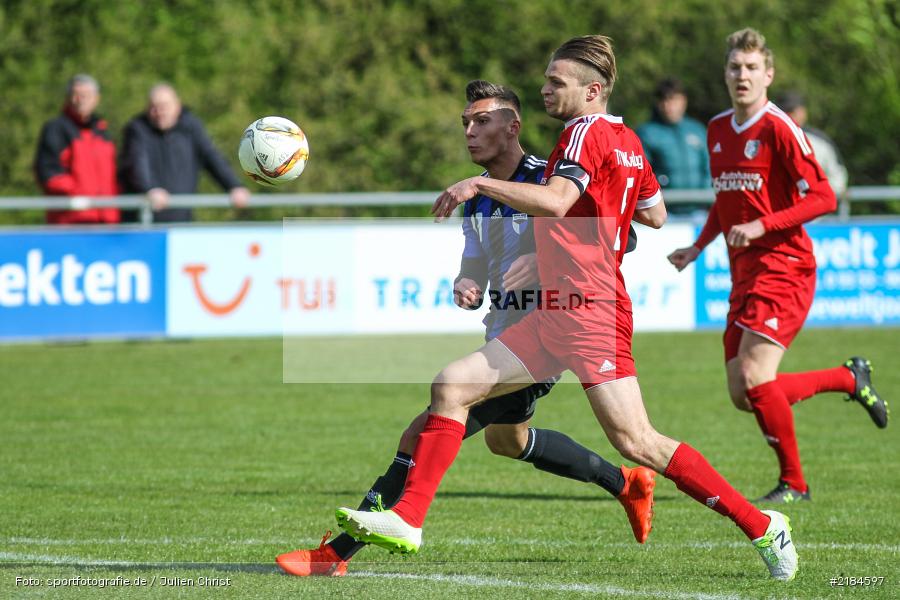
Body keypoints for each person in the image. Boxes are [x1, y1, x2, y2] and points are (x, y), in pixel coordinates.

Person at [336, 35, 799, 582]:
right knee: (452, 385)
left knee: (638, 442)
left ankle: (762, 525)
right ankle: (408, 520)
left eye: (556, 82)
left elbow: (558, 199)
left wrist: (476, 185)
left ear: (592, 90)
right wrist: (566, 247)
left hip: (590, 312)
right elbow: (651, 214)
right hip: (559, 310)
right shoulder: (627, 139)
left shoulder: (581, 132)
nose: (544, 89)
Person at [275, 80, 654, 577]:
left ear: (512, 126)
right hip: (502, 341)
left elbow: (610, 239)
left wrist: (540, 266)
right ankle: (626, 483)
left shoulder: (551, 181)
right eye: (465, 124)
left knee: (421, 431)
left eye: (481, 122)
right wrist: (467, 282)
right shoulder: (477, 202)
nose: (470, 132)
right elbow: (474, 262)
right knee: (509, 441)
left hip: (548, 338)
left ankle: (334, 554)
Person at [667, 29, 887, 504]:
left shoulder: (780, 128)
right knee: (743, 392)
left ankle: (795, 484)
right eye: (734, 67)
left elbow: (826, 195)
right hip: (743, 270)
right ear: (725, 74)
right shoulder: (717, 129)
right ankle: (848, 378)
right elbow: (726, 201)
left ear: (768, 75)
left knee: (754, 376)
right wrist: (698, 247)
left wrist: (765, 226)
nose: (741, 75)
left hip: (785, 266)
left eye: (751, 68)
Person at [119, 83, 249, 222]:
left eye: (164, 106)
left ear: (177, 105)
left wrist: (234, 186)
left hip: (182, 220)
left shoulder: (191, 127)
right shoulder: (137, 130)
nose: (159, 112)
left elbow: (211, 157)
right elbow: (137, 163)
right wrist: (149, 189)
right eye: (154, 107)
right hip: (143, 221)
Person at [33, 74, 120, 224]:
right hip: (71, 221)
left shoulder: (103, 132)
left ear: (96, 98)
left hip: (106, 221)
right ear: (68, 98)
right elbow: (48, 173)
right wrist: (80, 194)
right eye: (76, 95)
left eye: (86, 95)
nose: (81, 100)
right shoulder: (56, 129)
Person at [636, 77, 710, 192]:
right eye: (663, 100)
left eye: (672, 99)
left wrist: (706, 195)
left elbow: (709, 166)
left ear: (683, 100)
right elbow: (641, 174)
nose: (667, 105)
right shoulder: (646, 133)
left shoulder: (697, 129)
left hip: (699, 205)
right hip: (664, 206)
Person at [776, 91, 848, 198]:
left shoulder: (820, 141)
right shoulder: (768, 138)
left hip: (812, 210)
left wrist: (815, 200)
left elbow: (837, 177)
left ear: (803, 112)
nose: (788, 115)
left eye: (791, 111)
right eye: (783, 111)